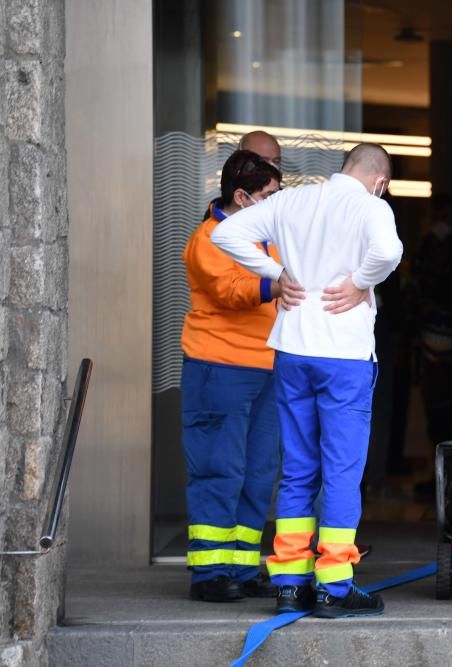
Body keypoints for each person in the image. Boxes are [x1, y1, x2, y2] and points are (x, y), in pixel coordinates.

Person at [211, 143, 403, 619]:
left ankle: (290, 583)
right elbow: (390, 251)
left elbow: (227, 234)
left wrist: (278, 275)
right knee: (340, 471)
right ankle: (334, 586)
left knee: (297, 468)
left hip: (293, 348)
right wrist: (362, 281)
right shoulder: (370, 206)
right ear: (379, 181)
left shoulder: (293, 200)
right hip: (345, 357)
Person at [182, 150, 283, 602]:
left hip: (268, 368)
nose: (274, 205)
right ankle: (209, 573)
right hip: (219, 367)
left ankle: (242, 567)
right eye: (267, 196)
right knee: (218, 469)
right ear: (241, 196)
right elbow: (231, 291)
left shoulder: (267, 235)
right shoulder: (210, 238)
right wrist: (276, 284)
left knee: (258, 472)